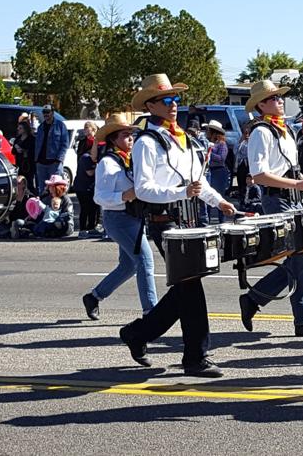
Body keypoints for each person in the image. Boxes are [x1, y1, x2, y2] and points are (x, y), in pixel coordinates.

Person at [118, 74, 236, 378]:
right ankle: (195, 357)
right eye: (167, 100)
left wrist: (219, 202)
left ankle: (138, 333)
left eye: (176, 99)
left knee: (185, 287)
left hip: (190, 217)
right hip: (164, 219)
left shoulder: (184, 137)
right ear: (151, 105)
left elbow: (199, 182)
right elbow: (143, 189)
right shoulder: (146, 141)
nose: (174, 105)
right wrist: (179, 193)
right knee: (191, 285)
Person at [237, 80, 303, 338]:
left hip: (294, 198)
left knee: (298, 259)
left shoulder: (286, 130)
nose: (280, 100)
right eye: (274, 98)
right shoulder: (261, 132)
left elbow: (293, 169)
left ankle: (255, 299)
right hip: (276, 199)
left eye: (279, 97)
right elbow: (259, 175)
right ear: (261, 105)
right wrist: (297, 184)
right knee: (299, 257)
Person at [82, 114, 157, 320]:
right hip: (118, 219)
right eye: (126, 135)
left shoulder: (130, 159)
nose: (131, 139)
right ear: (114, 139)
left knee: (129, 265)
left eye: (132, 135)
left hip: (133, 217)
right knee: (144, 260)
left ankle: (94, 296)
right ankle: (151, 312)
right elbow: (100, 197)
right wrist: (124, 196)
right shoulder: (108, 163)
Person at [72, 131, 100, 238]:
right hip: (82, 188)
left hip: (91, 187)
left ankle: (91, 228)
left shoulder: (93, 158)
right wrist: (99, 167)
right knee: (85, 208)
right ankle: (82, 229)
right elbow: (90, 173)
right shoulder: (86, 157)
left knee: (93, 208)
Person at [34, 105, 69, 188]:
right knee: (42, 189)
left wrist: (59, 159)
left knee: (56, 188)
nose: (46, 114)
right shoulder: (40, 127)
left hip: (54, 164)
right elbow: (37, 144)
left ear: (52, 113)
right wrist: (36, 160)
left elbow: (65, 143)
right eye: (44, 112)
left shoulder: (60, 126)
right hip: (41, 164)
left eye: (48, 112)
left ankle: (56, 202)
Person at [205, 120, 230, 223]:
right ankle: (208, 220)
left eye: (208, 130)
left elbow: (221, 158)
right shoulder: (207, 142)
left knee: (219, 196)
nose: (206, 132)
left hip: (219, 172)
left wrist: (209, 153)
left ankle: (222, 221)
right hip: (210, 171)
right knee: (208, 196)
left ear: (213, 132)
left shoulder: (222, 144)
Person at [11, 115, 37, 193]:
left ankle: (32, 197)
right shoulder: (17, 139)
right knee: (20, 182)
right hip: (19, 163)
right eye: (18, 128)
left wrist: (24, 150)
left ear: (25, 129)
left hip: (28, 164)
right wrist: (16, 147)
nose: (18, 130)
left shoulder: (31, 139)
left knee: (29, 182)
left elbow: (33, 151)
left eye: (20, 128)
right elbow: (13, 152)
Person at [235, 125, 251, 199]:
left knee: (249, 182)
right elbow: (235, 151)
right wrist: (241, 140)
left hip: (250, 164)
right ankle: (242, 197)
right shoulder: (241, 142)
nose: (246, 135)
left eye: (248, 133)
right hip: (242, 164)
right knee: (241, 182)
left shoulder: (253, 141)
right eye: (245, 133)